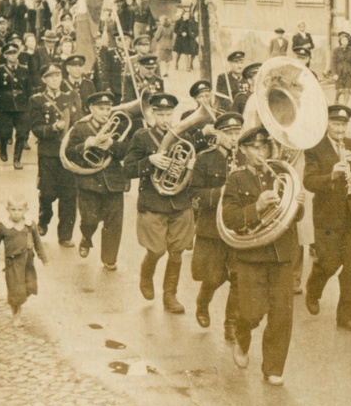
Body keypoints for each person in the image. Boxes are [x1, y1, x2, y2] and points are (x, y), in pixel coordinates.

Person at [220, 126, 306, 386]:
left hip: (281, 254)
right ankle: (242, 337)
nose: (261, 153)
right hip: (251, 255)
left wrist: (297, 204)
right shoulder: (236, 179)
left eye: (264, 147)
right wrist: (256, 207)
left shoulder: (282, 174)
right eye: (255, 148)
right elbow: (229, 218)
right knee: (250, 313)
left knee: (282, 315)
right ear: (244, 150)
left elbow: (295, 217)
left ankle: (273, 368)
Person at [124, 92, 195, 314]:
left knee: (177, 252)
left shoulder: (184, 138)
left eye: (169, 114)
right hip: (153, 203)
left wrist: (192, 165)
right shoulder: (142, 137)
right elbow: (127, 168)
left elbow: (193, 168)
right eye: (161, 114)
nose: (165, 119)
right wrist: (149, 161)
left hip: (180, 203)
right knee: (156, 250)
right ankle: (146, 274)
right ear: (152, 114)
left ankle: (170, 295)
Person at [303, 104, 351, 332]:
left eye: (343, 124)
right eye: (335, 123)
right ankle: (313, 288)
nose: (340, 129)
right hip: (328, 217)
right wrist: (332, 174)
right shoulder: (315, 148)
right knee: (329, 263)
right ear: (327, 124)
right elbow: (309, 181)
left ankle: (347, 317)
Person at [191, 112, 245, 341]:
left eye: (237, 133)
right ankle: (203, 301)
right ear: (219, 134)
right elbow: (194, 194)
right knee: (213, 277)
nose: (234, 138)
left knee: (238, 276)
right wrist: (220, 192)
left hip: (239, 227)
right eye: (229, 133)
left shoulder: (245, 159)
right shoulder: (205, 159)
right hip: (212, 227)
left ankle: (230, 324)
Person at [63, 91, 130, 271]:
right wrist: (87, 144)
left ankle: (109, 259)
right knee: (90, 220)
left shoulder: (119, 127)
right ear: (91, 108)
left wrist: (113, 146)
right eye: (101, 109)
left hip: (114, 181)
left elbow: (127, 150)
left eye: (108, 108)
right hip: (89, 182)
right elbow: (68, 153)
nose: (106, 113)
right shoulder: (80, 128)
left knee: (114, 223)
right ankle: (86, 236)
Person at [28, 64, 82, 244]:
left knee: (69, 195)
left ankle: (65, 236)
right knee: (47, 192)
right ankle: (44, 219)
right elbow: (35, 127)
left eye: (58, 75)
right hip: (48, 153)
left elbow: (78, 122)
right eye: (50, 76)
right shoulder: (36, 100)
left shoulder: (70, 97)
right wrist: (52, 128)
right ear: (44, 79)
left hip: (68, 154)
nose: (55, 79)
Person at [0, 194, 48, 328]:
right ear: (7, 209)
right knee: (15, 291)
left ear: (26, 210)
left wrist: (43, 258)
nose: (16, 213)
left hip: (27, 262)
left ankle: (19, 305)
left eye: (19, 210)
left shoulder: (29, 224)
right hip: (12, 264)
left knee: (28, 287)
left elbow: (38, 242)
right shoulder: (3, 226)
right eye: (13, 209)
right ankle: (16, 315)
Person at [0, 42, 33, 167]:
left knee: (21, 133)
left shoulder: (24, 70)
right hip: (5, 105)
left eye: (14, 53)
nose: (12, 56)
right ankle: (3, 148)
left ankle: (17, 159)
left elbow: (29, 88)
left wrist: (30, 105)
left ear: (18, 54)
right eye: (9, 54)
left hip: (22, 105)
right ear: (5, 55)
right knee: (5, 132)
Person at [331, 32, 351, 106]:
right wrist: (334, 74)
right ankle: (336, 98)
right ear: (340, 41)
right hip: (339, 72)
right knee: (340, 90)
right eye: (343, 40)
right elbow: (333, 63)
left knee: (347, 90)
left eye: (346, 40)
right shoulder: (336, 50)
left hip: (348, 72)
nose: (345, 41)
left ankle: (345, 106)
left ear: (348, 41)